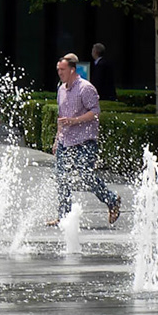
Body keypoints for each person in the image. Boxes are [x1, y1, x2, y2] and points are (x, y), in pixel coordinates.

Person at [51, 51, 122, 225]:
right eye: (58, 69)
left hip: (84, 140)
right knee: (61, 178)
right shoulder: (61, 89)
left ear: (73, 70)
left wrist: (75, 121)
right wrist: (56, 138)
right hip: (65, 141)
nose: (60, 73)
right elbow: (61, 116)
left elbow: (95, 112)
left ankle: (112, 200)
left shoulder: (86, 88)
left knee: (85, 175)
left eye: (62, 69)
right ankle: (64, 216)